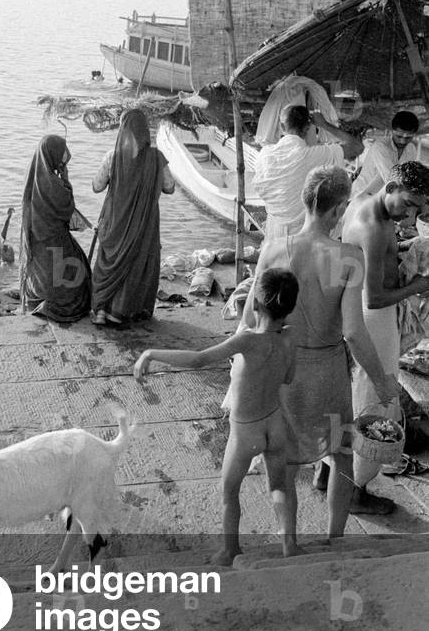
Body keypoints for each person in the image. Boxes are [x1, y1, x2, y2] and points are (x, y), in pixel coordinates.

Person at [238, 166, 396, 544]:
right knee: (341, 455)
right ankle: (334, 540)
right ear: (339, 207)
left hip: (283, 371)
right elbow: (354, 333)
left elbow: (248, 318)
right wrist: (383, 383)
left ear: (307, 201)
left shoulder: (274, 248)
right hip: (327, 374)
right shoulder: (349, 257)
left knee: (283, 460)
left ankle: (289, 543)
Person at [134, 268, 299, 565]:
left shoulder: (247, 341)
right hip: (275, 424)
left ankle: (230, 550)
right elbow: (288, 377)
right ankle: (289, 546)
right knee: (278, 487)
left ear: (256, 305)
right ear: (290, 308)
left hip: (245, 431)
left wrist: (151, 353)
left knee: (229, 491)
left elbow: (199, 359)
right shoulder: (290, 338)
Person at [340, 161, 429, 513]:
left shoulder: (365, 205)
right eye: (408, 203)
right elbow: (374, 297)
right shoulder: (375, 228)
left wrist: (406, 250)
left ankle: (331, 476)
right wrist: (419, 286)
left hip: (367, 315)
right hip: (373, 317)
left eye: (419, 207)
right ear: (390, 187)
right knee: (376, 402)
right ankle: (355, 490)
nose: (412, 212)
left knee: (361, 396)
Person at [91, 108, 174, 326]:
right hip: (144, 223)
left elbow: (96, 186)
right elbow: (170, 187)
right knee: (138, 264)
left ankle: (101, 311)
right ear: (145, 131)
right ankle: (123, 312)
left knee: (109, 262)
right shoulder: (157, 158)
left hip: (114, 223)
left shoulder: (112, 157)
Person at [254, 104, 363, 239]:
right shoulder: (313, 155)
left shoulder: (265, 154)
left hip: (274, 234)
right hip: (304, 235)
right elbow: (357, 147)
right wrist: (324, 124)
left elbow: (260, 188)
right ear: (307, 128)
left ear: (282, 127)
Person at [19, 134, 91, 322]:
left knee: (45, 273)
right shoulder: (54, 184)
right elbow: (67, 208)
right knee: (78, 273)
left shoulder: (32, 179)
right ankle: (57, 302)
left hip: (36, 242)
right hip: (54, 241)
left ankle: (39, 297)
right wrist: (66, 180)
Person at [350, 111, 420, 198]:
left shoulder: (411, 149)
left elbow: (408, 177)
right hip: (360, 197)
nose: (403, 141)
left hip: (382, 200)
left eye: (408, 137)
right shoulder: (380, 147)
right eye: (399, 136)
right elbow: (392, 179)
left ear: (414, 135)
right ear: (392, 131)